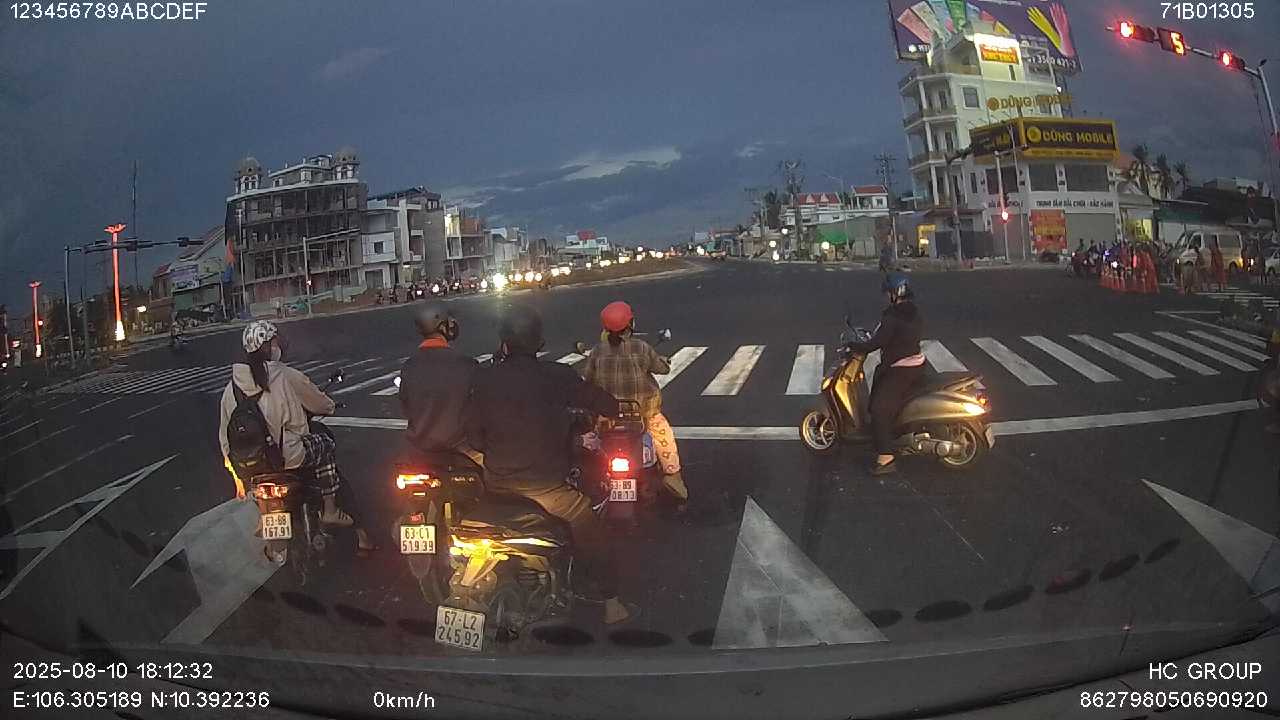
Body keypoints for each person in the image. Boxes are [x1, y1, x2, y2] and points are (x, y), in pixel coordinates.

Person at [466, 304, 637, 625]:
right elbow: (600, 401)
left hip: (497, 485)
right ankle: (611, 603)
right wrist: (617, 409)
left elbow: (474, 438)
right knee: (592, 529)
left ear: (504, 343)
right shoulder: (557, 375)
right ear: (539, 343)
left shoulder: (484, 377)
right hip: (546, 488)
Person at [217, 320, 377, 553]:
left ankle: (264, 515)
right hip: (288, 457)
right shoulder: (282, 375)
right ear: (268, 345)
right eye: (275, 342)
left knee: (258, 483)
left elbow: (225, 439)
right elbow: (307, 414)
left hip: (250, 466)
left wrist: (237, 475)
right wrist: (327, 409)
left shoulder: (230, 389)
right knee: (325, 443)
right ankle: (330, 510)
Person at [582, 301, 687, 506]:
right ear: (630, 324)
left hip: (608, 415)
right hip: (643, 414)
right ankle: (674, 478)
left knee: (592, 441)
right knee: (664, 438)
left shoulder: (597, 351)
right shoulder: (641, 347)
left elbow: (588, 379)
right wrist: (662, 361)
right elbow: (662, 368)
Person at [846, 273, 924, 476]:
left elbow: (878, 341)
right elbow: (887, 336)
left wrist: (855, 346)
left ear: (895, 293)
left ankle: (886, 457)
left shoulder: (893, 316)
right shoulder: (912, 311)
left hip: (902, 369)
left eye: (887, 293)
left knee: (880, 409)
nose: (885, 297)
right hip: (914, 364)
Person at [399, 303, 483, 466]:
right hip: (460, 447)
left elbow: (406, 406)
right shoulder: (467, 365)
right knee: (494, 469)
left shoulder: (409, 366)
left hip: (419, 447)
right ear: (442, 327)